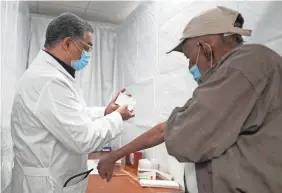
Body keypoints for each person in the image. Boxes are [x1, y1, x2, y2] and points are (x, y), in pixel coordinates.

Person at [97, 6, 282, 193]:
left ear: (205, 47)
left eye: (190, 57)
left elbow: (182, 138)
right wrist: (116, 155)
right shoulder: (236, 72)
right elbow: (172, 127)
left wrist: (115, 155)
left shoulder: (243, 64)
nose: (190, 66)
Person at [10, 13, 135, 193]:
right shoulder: (49, 81)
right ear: (68, 43)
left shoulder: (51, 75)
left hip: (50, 178)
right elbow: (83, 139)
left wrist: (105, 112)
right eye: (87, 48)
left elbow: (74, 115)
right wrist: (118, 117)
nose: (88, 55)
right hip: (46, 185)